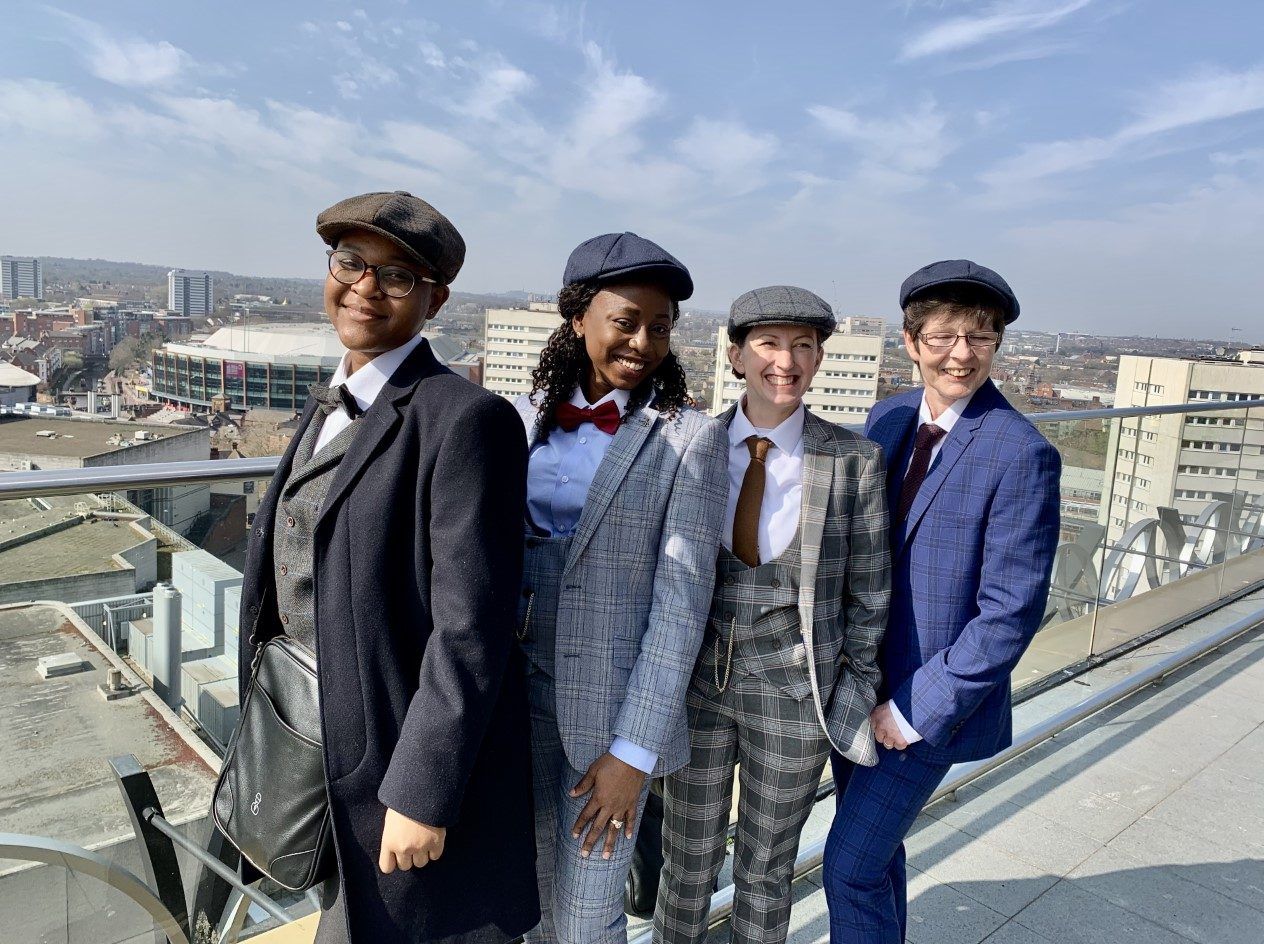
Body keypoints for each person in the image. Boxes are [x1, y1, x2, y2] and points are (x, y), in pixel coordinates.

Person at [237, 191, 538, 943]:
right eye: (351, 262)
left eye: (397, 277)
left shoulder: (465, 420)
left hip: (394, 769)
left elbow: (472, 625)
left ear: (435, 298)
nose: (366, 288)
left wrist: (422, 794)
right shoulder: (326, 405)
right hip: (311, 745)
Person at [822, 260, 1061, 943]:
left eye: (980, 338)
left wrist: (915, 707)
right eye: (945, 336)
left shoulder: (1021, 453)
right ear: (910, 340)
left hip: (927, 704)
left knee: (847, 869)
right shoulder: (889, 415)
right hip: (858, 686)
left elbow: (1010, 612)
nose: (961, 353)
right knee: (877, 858)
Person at [654, 286, 890, 944]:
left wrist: (853, 684)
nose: (785, 360)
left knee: (765, 870)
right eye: (768, 343)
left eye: (803, 346)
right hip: (695, 689)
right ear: (734, 355)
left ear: (817, 361)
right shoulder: (688, 447)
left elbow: (871, 591)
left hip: (795, 694)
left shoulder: (853, 462)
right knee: (685, 865)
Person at [514, 232, 729, 944]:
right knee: (527, 906)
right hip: (512, 705)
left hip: (606, 724)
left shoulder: (688, 439)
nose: (643, 340)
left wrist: (632, 757)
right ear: (578, 318)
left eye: (660, 326)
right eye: (626, 320)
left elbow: (681, 606)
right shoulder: (516, 417)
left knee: (584, 923)